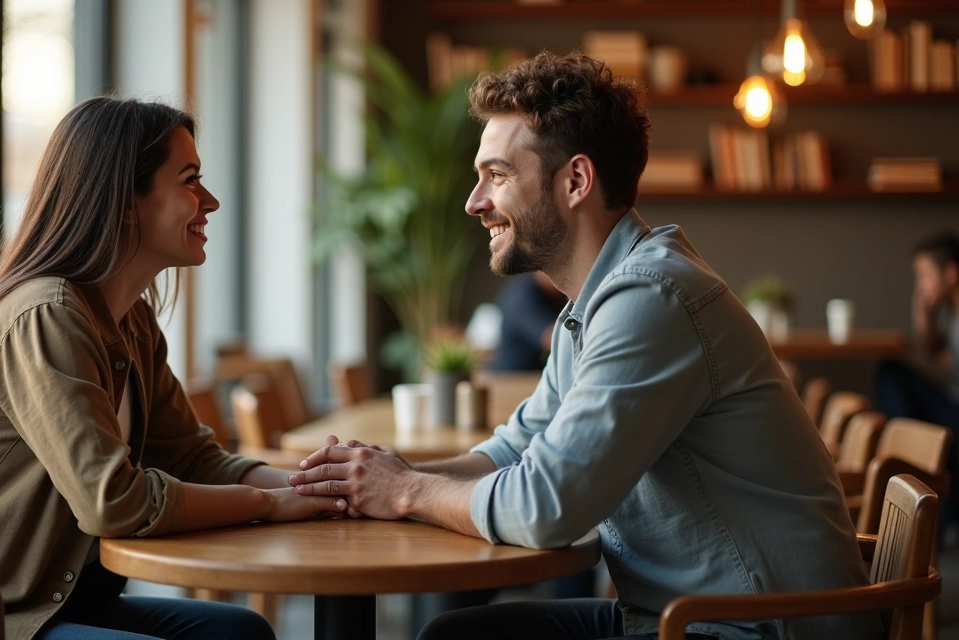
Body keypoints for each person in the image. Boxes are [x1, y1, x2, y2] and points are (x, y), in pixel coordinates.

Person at [289, 53, 878, 639]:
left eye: (496, 175)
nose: (474, 202)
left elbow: (546, 507)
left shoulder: (650, 299)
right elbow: (517, 449)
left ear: (575, 181)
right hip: (683, 615)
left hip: (755, 627)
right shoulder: (593, 305)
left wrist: (406, 491)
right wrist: (383, 478)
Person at [0, 98, 346, 640]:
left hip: (30, 604)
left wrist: (313, 489)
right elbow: (114, 503)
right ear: (125, 201)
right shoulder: (46, 315)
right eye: (190, 180)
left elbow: (190, 457)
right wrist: (267, 504)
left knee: (238, 633)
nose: (211, 201)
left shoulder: (132, 320)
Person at [875, 232, 959, 529]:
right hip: (951, 402)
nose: (920, 284)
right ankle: (911, 461)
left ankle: (911, 464)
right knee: (891, 373)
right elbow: (940, 356)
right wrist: (922, 314)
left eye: (924, 275)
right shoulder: (951, 313)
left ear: (950, 273)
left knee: (891, 376)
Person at [490, 272, 568, 372]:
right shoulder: (522, 296)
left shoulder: (555, 294)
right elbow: (551, 338)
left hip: (534, 374)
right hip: (513, 378)